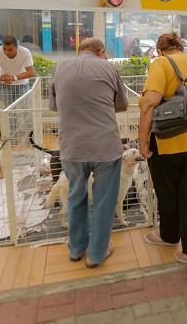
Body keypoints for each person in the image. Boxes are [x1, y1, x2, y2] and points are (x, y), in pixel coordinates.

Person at [48, 38, 128, 268]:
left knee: (76, 197)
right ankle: (96, 255)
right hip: (105, 147)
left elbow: (55, 105)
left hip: (72, 147)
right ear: (101, 52)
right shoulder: (109, 67)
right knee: (104, 202)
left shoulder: (60, 67)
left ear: (80, 50)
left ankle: (76, 249)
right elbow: (122, 105)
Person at [138, 32, 187, 271]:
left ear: (160, 50)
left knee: (167, 191)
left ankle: (171, 236)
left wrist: (142, 141)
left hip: (168, 138)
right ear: (182, 47)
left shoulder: (160, 63)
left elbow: (150, 102)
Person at [0, 35, 34, 143]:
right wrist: (0, 78)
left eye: (10, 49)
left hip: (22, 85)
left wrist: (14, 77)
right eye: (4, 49)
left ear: (17, 47)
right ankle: (12, 141)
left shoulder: (24, 52)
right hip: (5, 86)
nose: (7, 52)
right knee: (10, 114)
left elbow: (31, 72)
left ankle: (32, 140)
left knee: (28, 112)